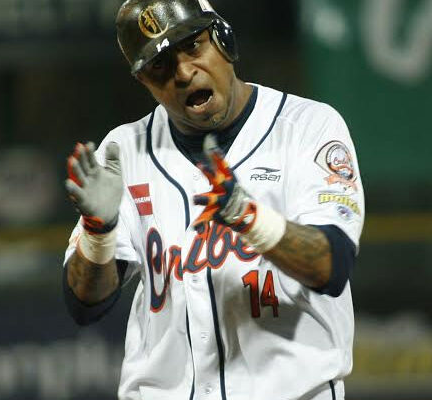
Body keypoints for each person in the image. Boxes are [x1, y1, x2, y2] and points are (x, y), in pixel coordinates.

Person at [62, 0, 365, 399]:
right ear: (143, 81)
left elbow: (332, 265)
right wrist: (98, 232)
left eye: (192, 46)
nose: (184, 73)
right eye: (160, 65)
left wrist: (249, 218)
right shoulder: (124, 151)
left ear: (223, 39)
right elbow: (85, 305)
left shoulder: (306, 127)